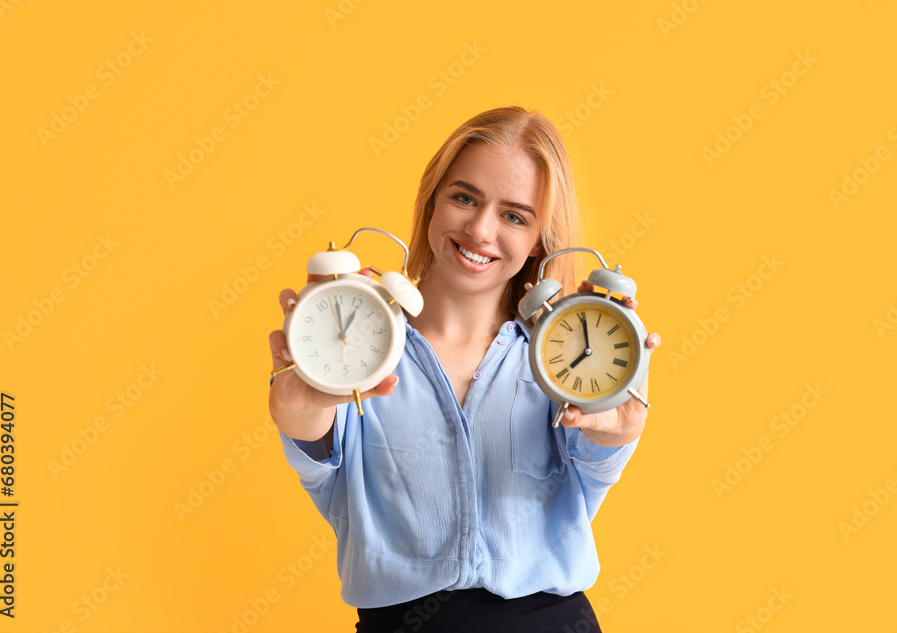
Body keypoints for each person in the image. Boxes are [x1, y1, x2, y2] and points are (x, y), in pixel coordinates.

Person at [267, 105, 660, 632]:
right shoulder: (352, 351)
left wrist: (621, 425)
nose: (479, 229)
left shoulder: (566, 359)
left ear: (539, 239)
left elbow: (593, 473)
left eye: (514, 215)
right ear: (432, 200)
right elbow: (322, 468)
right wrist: (299, 415)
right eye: (464, 197)